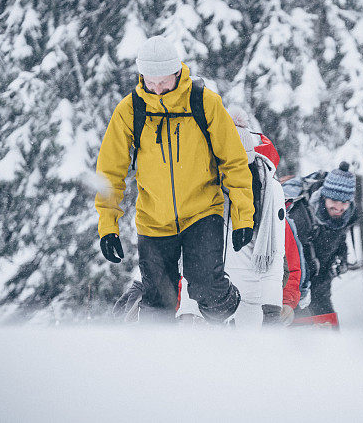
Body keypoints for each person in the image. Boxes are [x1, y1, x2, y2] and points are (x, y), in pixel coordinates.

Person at [95, 35, 254, 322]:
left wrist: (244, 217)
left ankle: (229, 328)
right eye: (150, 82)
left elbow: (234, 162)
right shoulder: (131, 110)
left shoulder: (203, 102)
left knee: (208, 290)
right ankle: (159, 360)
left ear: (178, 71)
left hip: (202, 212)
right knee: (159, 303)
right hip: (154, 220)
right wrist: (108, 226)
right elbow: (110, 172)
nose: (156, 90)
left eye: (163, 82)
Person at [175, 111, 301, 327]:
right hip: (208, 302)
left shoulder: (268, 193)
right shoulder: (204, 190)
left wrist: (272, 311)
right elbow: (192, 258)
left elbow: (275, 258)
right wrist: (187, 308)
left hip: (253, 304)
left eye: (238, 165)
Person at [283, 162, 359, 321]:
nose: (339, 207)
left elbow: (340, 237)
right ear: (324, 196)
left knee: (328, 333)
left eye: (344, 202)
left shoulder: (348, 213)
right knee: (301, 335)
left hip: (322, 281)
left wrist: (341, 257)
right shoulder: (300, 215)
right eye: (334, 200)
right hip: (297, 285)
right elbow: (289, 257)